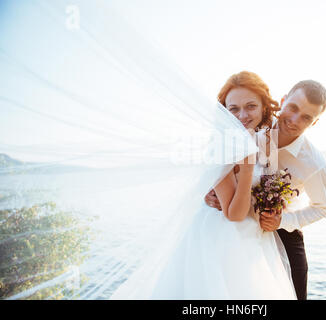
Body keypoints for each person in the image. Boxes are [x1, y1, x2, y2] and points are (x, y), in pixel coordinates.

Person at [109, 71, 297, 299]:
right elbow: (233, 215)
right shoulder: (221, 147)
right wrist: (247, 170)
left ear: (264, 108)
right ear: (224, 111)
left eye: (250, 106)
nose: (243, 115)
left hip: (253, 237)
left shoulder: (261, 138)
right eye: (233, 109)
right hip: (225, 239)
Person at [206, 79, 326, 300]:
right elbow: (220, 166)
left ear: (314, 123)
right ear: (283, 101)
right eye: (293, 108)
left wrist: (282, 221)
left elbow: (323, 208)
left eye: (306, 117)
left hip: (283, 233)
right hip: (237, 227)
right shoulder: (253, 124)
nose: (294, 120)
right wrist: (210, 194)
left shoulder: (314, 164)